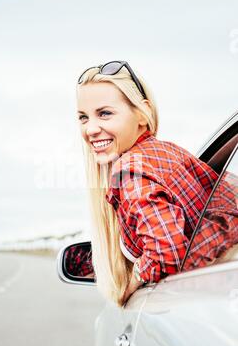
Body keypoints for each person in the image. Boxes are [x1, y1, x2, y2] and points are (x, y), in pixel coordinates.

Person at [76, 60, 238, 307]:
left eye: (105, 113)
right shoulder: (168, 153)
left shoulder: (130, 171)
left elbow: (165, 254)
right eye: (83, 117)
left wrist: (133, 280)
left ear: (142, 115)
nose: (91, 129)